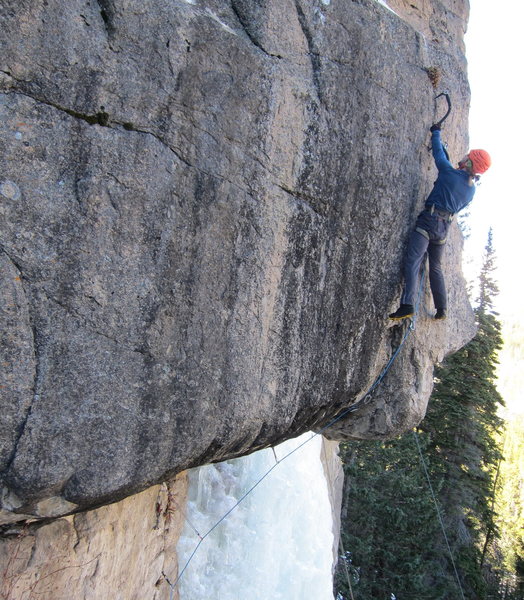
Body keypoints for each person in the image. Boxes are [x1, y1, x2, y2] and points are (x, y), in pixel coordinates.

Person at [389, 125, 491, 321]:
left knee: (413, 261)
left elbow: (439, 157)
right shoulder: (470, 190)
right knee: (435, 267)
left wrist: (435, 132)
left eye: (466, 156)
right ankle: (442, 308)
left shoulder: (450, 173)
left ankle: (407, 304)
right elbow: (450, 173)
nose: (462, 156)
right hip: (443, 229)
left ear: (469, 162)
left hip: (429, 221)